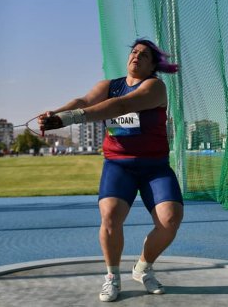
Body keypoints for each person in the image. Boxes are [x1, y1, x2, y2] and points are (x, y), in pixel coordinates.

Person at [38, 38, 184, 302]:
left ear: (152, 66)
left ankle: (143, 268)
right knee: (110, 217)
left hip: (154, 167)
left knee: (170, 221)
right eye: (134, 52)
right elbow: (83, 100)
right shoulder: (109, 86)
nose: (136, 56)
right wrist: (54, 114)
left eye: (144, 55)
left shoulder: (155, 87)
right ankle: (112, 277)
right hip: (119, 165)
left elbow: (122, 106)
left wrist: (66, 119)